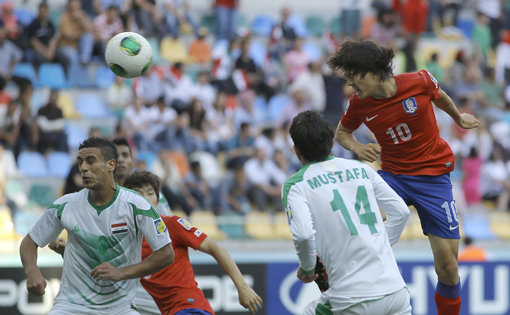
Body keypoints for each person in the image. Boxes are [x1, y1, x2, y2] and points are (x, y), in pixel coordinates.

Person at [328, 40, 480, 315]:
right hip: (393, 178)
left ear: (373, 72)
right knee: (359, 225)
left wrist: (458, 118)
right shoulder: (360, 103)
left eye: (353, 76)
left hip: (433, 178)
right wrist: (359, 148)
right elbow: (342, 134)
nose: (351, 84)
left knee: (448, 267)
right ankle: (333, 277)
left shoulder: (420, 80)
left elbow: (440, 95)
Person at [51, 170, 263, 314]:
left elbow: (216, 248)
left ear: (157, 200)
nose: (145, 198)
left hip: (190, 307)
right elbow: (100, 271)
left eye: (150, 193)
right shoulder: (121, 237)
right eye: (138, 193)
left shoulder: (171, 224)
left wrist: (242, 287)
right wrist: (65, 252)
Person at [19, 137, 174, 314]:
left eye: (91, 161)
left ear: (111, 165)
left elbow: (166, 254)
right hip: (71, 306)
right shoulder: (65, 206)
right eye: (81, 162)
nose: (83, 168)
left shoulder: (138, 205)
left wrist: (121, 272)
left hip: (121, 308)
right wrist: (32, 271)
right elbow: (30, 241)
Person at [282, 110, 411, 314]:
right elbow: (401, 212)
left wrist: (308, 268)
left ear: (296, 149)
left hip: (351, 299)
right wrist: (376, 245)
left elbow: (304, 235)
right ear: (332, 142)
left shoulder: (297, 185)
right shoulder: (362, 169)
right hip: (396, 292)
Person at [113, 137, 170, 216]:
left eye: (125, 155)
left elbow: (166, 224)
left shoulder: (154, 195)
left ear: (133, 161)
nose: (120, 160)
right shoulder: (102, 196)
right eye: (116, 156)